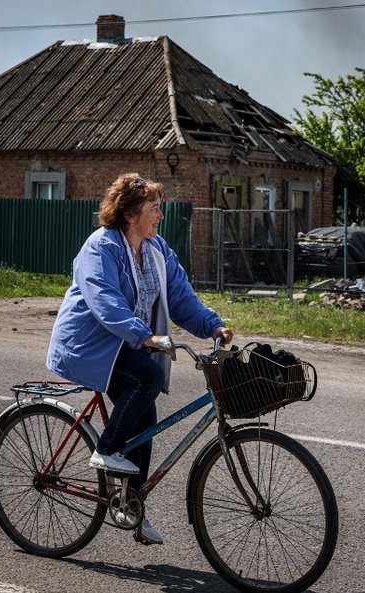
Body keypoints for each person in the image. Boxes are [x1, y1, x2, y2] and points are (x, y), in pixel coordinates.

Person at [46, 172, 233, 545]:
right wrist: (145, 335)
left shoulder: (157, 250)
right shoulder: (101, 247)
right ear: (131, 214)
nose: (160, 215)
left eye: (159, 208)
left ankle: (130, 505)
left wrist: (212, 326)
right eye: (154, 208)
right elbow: (105, 300)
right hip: (91, 344)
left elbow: (181, 297)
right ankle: (106, 448)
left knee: (146, 423)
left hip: (128, 344)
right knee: (146, 378)